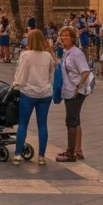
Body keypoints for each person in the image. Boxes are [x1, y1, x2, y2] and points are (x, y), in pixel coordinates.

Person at [11, 28, 55, 164]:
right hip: (45, 93)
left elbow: (21, 74)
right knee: (42, 125)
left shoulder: (26, 55)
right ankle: (41, 156)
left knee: (23, 124)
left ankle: (18, 154)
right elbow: (51, 74)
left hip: (28, 93)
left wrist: (15, 85)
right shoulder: (48, 56)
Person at [55, 26, 91, 161]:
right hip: (69, 90)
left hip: (75, 92)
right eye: (62, 35)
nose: (64, 38)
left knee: (70, 120)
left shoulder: (76, 53)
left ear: (73, 38)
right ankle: (78, 150)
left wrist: (78, 85)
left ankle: (70, 153)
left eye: (67, 36)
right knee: (75, 120)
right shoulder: (66, 51)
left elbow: (85, 71)